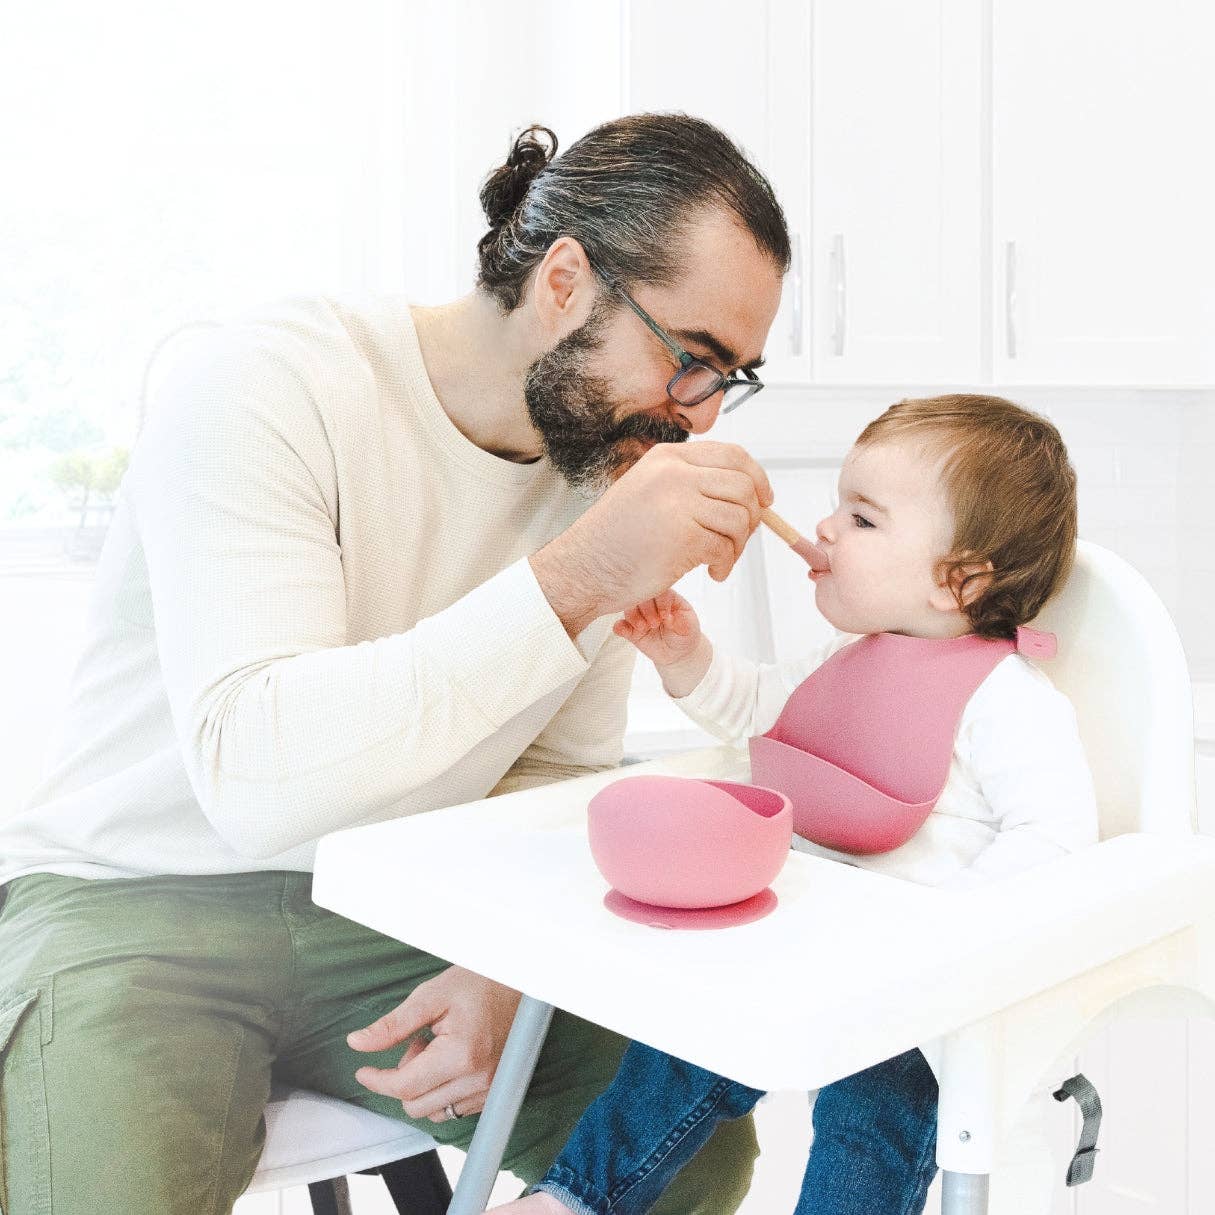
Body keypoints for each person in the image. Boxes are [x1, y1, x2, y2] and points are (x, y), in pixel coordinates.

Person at [0, 112, 933, 1215]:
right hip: (136, 904)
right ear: (566, 281)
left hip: (397, 912)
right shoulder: (268, 383)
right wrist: (584, 574)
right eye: (692, 361)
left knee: (686, 1155)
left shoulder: (600, 470)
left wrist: (507, 968)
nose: (703, 415)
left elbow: (551, 780)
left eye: (735, 379)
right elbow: (253, 781)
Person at [494, 394, 1099, 1215]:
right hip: (806, 953)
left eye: (862, 518)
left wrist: (939, 936)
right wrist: (685, 655)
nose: (824, 530)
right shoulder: (847, 659)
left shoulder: (1008, 697)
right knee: (678, 1043)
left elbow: (1055, 838)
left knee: (870, 1120)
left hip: (922, 1004)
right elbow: (754, 710)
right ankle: (571, 1198)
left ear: (959, 578)